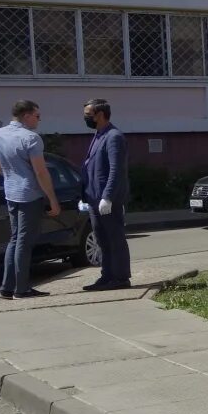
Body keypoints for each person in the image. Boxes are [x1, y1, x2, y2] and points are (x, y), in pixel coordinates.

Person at [0, 99, 61, 299]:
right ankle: (21, 289)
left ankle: (6, 287)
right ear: (27, 115)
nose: (39, 120)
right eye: (37, 116)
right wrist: (52, 199)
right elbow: (40, 172)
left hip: (10, 191)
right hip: (29, 194)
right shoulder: (31, 138)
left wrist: (13, 178)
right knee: (24, 241)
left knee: (14, 239)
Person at [81, 99, 131, 291]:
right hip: (93, 199)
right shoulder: (98, 135)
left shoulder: (113, 136)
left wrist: (108, 196)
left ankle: (120, 277)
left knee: (114, 238)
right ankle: (107, 275)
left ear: (100, 115)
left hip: (107, 200)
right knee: (102, 239)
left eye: (88, 114)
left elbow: (116, 170)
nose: (85, 118)